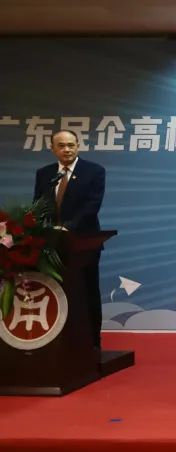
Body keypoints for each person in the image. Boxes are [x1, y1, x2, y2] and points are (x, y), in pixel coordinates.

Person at [33, 129, 106, 346]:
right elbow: (38, 205)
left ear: (78, 146)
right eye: (62, 146)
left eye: (71, 145)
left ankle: (93, 341)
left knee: (87, 291)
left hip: (84, 243)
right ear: (53, 149)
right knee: (56, 290)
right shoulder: (44, 173)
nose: (67, 150)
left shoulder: (94, 171)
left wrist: (67, 228)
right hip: (51, 245)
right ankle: (59, 340)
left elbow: (92, 205)